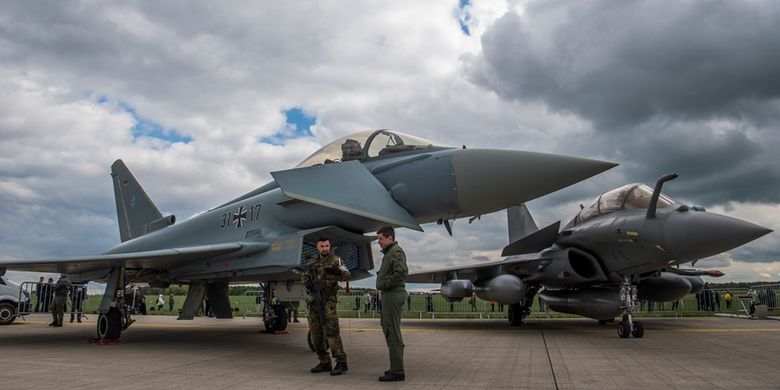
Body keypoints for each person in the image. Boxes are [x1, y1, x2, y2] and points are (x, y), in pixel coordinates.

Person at [302, 237, 350, 376]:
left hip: (328, 302)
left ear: (330, 246)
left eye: (327, 245)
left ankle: (341, 362)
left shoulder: (336, 260)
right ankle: (324, 361)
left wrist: (337, 274)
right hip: (314, 302)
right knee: (316, 334)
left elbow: (347, 275)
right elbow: (304, 277)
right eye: (322, 246)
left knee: (332, 332)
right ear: (317, 247)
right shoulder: (312, 262)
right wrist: (309, 284)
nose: (324, 248)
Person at [375, 226, 408, 382]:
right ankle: (395, 367)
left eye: (380, 238)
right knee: (388, 328)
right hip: (390, 295)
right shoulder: (389, 253)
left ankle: (397, 371)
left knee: (392, 330)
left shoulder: (395, 252)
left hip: (393, 294)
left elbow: (402, 272)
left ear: (389, 238)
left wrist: (384, 283)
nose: (379, 242)